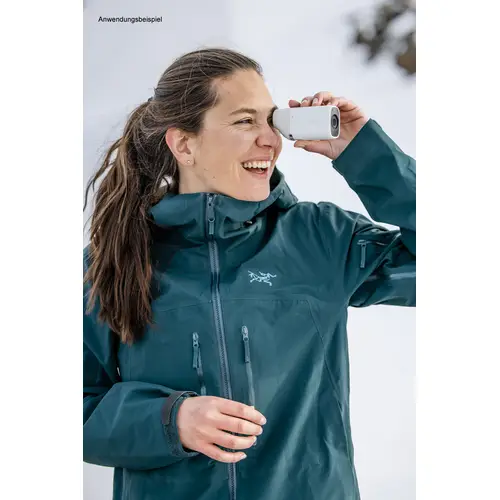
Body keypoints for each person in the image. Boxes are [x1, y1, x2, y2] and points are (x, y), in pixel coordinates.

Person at [83, 47, 415, 500]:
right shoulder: (111, 262)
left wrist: (367, 156)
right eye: (244, 121)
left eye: (271, 121)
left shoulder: (320, 238)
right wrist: (169, 421)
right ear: (184, 144)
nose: (270, 140)